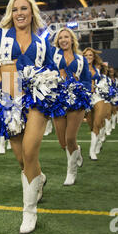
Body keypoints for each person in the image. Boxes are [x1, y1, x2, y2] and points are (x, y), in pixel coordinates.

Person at [0, 0, 57, 234]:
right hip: (8, 102)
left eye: (24, 8)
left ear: (32, 12)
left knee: (30, 151)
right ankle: (38, 178)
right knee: (22, 159)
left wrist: (54, 91)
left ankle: (29, 212)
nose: (20, 13)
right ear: (11, 13)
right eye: (15, 9)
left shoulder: (42, 42)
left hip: (36, 101)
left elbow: (51, 69)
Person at [51, 28, 91, 184]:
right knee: (63, 142)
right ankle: (77, 151)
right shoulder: (53, 56)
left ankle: (71, 172)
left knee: (70, 138)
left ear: (72, 39)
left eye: (66, 37)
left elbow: (87, 80)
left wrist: (80, 87)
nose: (63, 40)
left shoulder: (81, 60)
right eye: (60, 38)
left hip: (77, 100)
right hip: (58, 100)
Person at [83, 47, 106, 160]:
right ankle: (97, 142)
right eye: (86, 55)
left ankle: (92, 152)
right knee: (91, 126)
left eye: (90, 55)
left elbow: (100, 81)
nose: (88, 57)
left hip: (97, 97)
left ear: (93, 57)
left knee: (97, 123)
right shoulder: (80, 68)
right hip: (86, 98)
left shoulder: (97, 68)